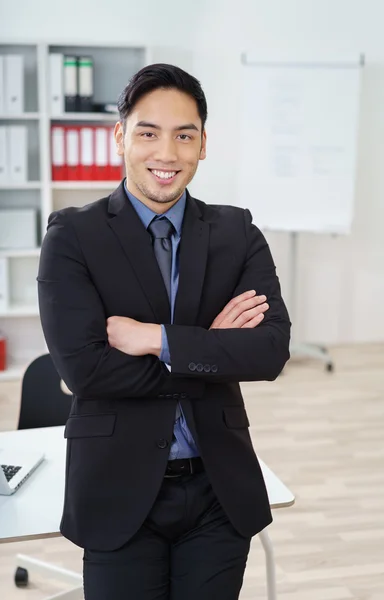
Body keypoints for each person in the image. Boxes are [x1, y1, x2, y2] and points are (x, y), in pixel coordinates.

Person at [38, 63, 291, 600]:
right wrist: (211, 348)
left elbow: (269, 351)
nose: (167, 153)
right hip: (117, 489)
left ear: (203, 144)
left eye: (184, 135)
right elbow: (84, 370)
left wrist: (158, 339)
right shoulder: (73, 235)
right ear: (120, 137)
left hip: (218, 489)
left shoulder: (236, 231)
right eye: (148, 133)